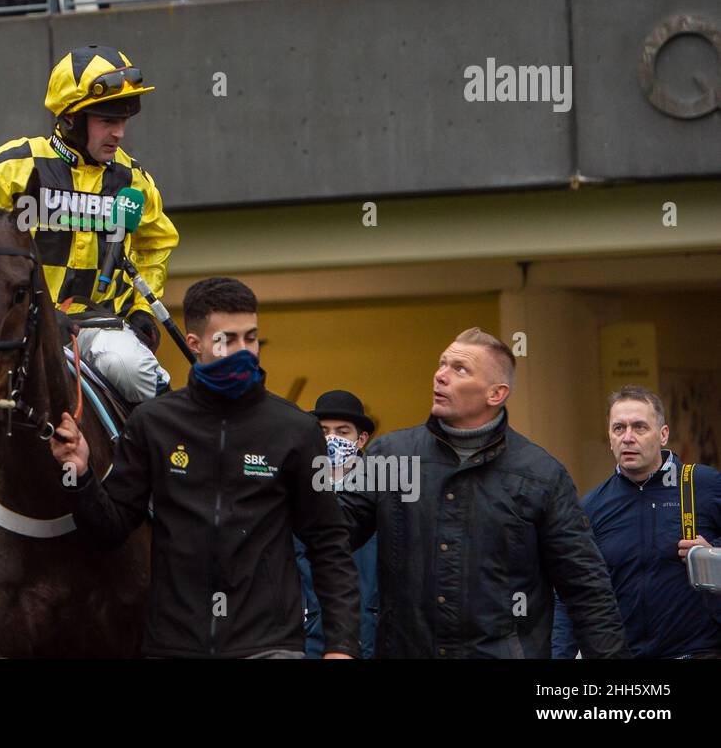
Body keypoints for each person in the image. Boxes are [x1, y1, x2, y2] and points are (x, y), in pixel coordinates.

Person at [51, 277, 361, 659]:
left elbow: (328, 543)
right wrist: (80, 473)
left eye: (250, 338)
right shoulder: (153, 424)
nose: (244, 351)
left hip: (268, 645)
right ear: (195, 344)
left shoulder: (295, 429)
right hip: (174, 644)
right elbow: (109, 529)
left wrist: (342, 646)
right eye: (227, 340)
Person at [337, 327, 627, 658]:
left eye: (460, 369)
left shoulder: (541, 475)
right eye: (442, 363)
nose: (441, 376)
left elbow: (586, 589)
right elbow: (329, 537)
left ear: (496, 394)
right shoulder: (390, 457)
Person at [0, 44, 178, 403]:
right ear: (69, 119)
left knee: (137, 371)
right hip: (18, 328)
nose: (119, 133)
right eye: (107, 121)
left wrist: (142, 312)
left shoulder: (135, 180)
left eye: (123, 120)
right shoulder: (8, 169)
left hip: (97, 327)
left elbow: (155, 245)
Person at [552, 386, 721, 658]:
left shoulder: (702, 485)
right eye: (619, 428)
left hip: (696, 652)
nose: (628, 438)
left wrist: (712, 553)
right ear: (609, 438)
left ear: (663, 435)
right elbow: (570, 593)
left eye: (640, 427)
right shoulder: (591, 507)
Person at [295, 389, 380, 658]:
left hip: (371, 638)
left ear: (362, 439)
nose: (332, 439)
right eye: (323, 431)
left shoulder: (385, 494)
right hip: (306, 640)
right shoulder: (293, 494)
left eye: (343, 432)